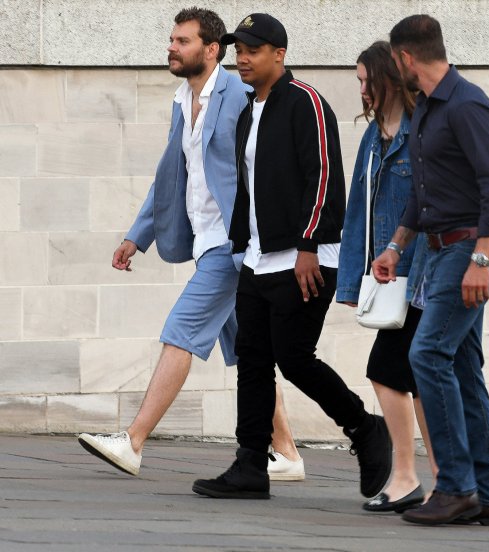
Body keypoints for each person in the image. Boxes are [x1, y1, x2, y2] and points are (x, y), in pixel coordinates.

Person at [77, 7, 304, 482]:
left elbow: (263, 167)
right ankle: (285, 451)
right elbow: (171, 175)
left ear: (211, 49)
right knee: (250, 349)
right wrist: (138, 235)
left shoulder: (241, 96)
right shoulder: (182, 99)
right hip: (206, 241)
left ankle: (134, 441)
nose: (171, 47)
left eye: (182, 40)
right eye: (172, 39)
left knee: (180, 329)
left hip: (234, 245)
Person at [190, 13, 392, 501]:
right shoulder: (247, 111)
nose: (243, 58)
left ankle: (366, 429)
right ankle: (249, 466)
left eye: (253, 50)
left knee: (294, 357)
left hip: (304, 257)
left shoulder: (306, 103)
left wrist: (307, 246)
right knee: (254, 361)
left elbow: (323, 175)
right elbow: (248, 185)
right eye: (239, 50)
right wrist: (241, 244)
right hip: (258, 258)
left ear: (279, 55)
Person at [372, 15, 489, 526]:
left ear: (405, 57)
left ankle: (457, 488)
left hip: (468, 250)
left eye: (394, 59)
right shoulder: (430, 108)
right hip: (437, 250)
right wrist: (395, 247)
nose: (394, 67)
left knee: (428, 354)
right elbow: (423, 192)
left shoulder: (468, 104)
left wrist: (481, 258)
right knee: (461, 367)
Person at [337, 41, 438, 513]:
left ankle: (408, 476)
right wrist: (355, 284)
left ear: (389, 77)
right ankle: (438, 480)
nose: (361, 90)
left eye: (365, 79)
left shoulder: (421, 128)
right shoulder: (374, 137)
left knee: (390, 371)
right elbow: (359, 211)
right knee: (416, 377)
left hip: (422, 274)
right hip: (390, 278)